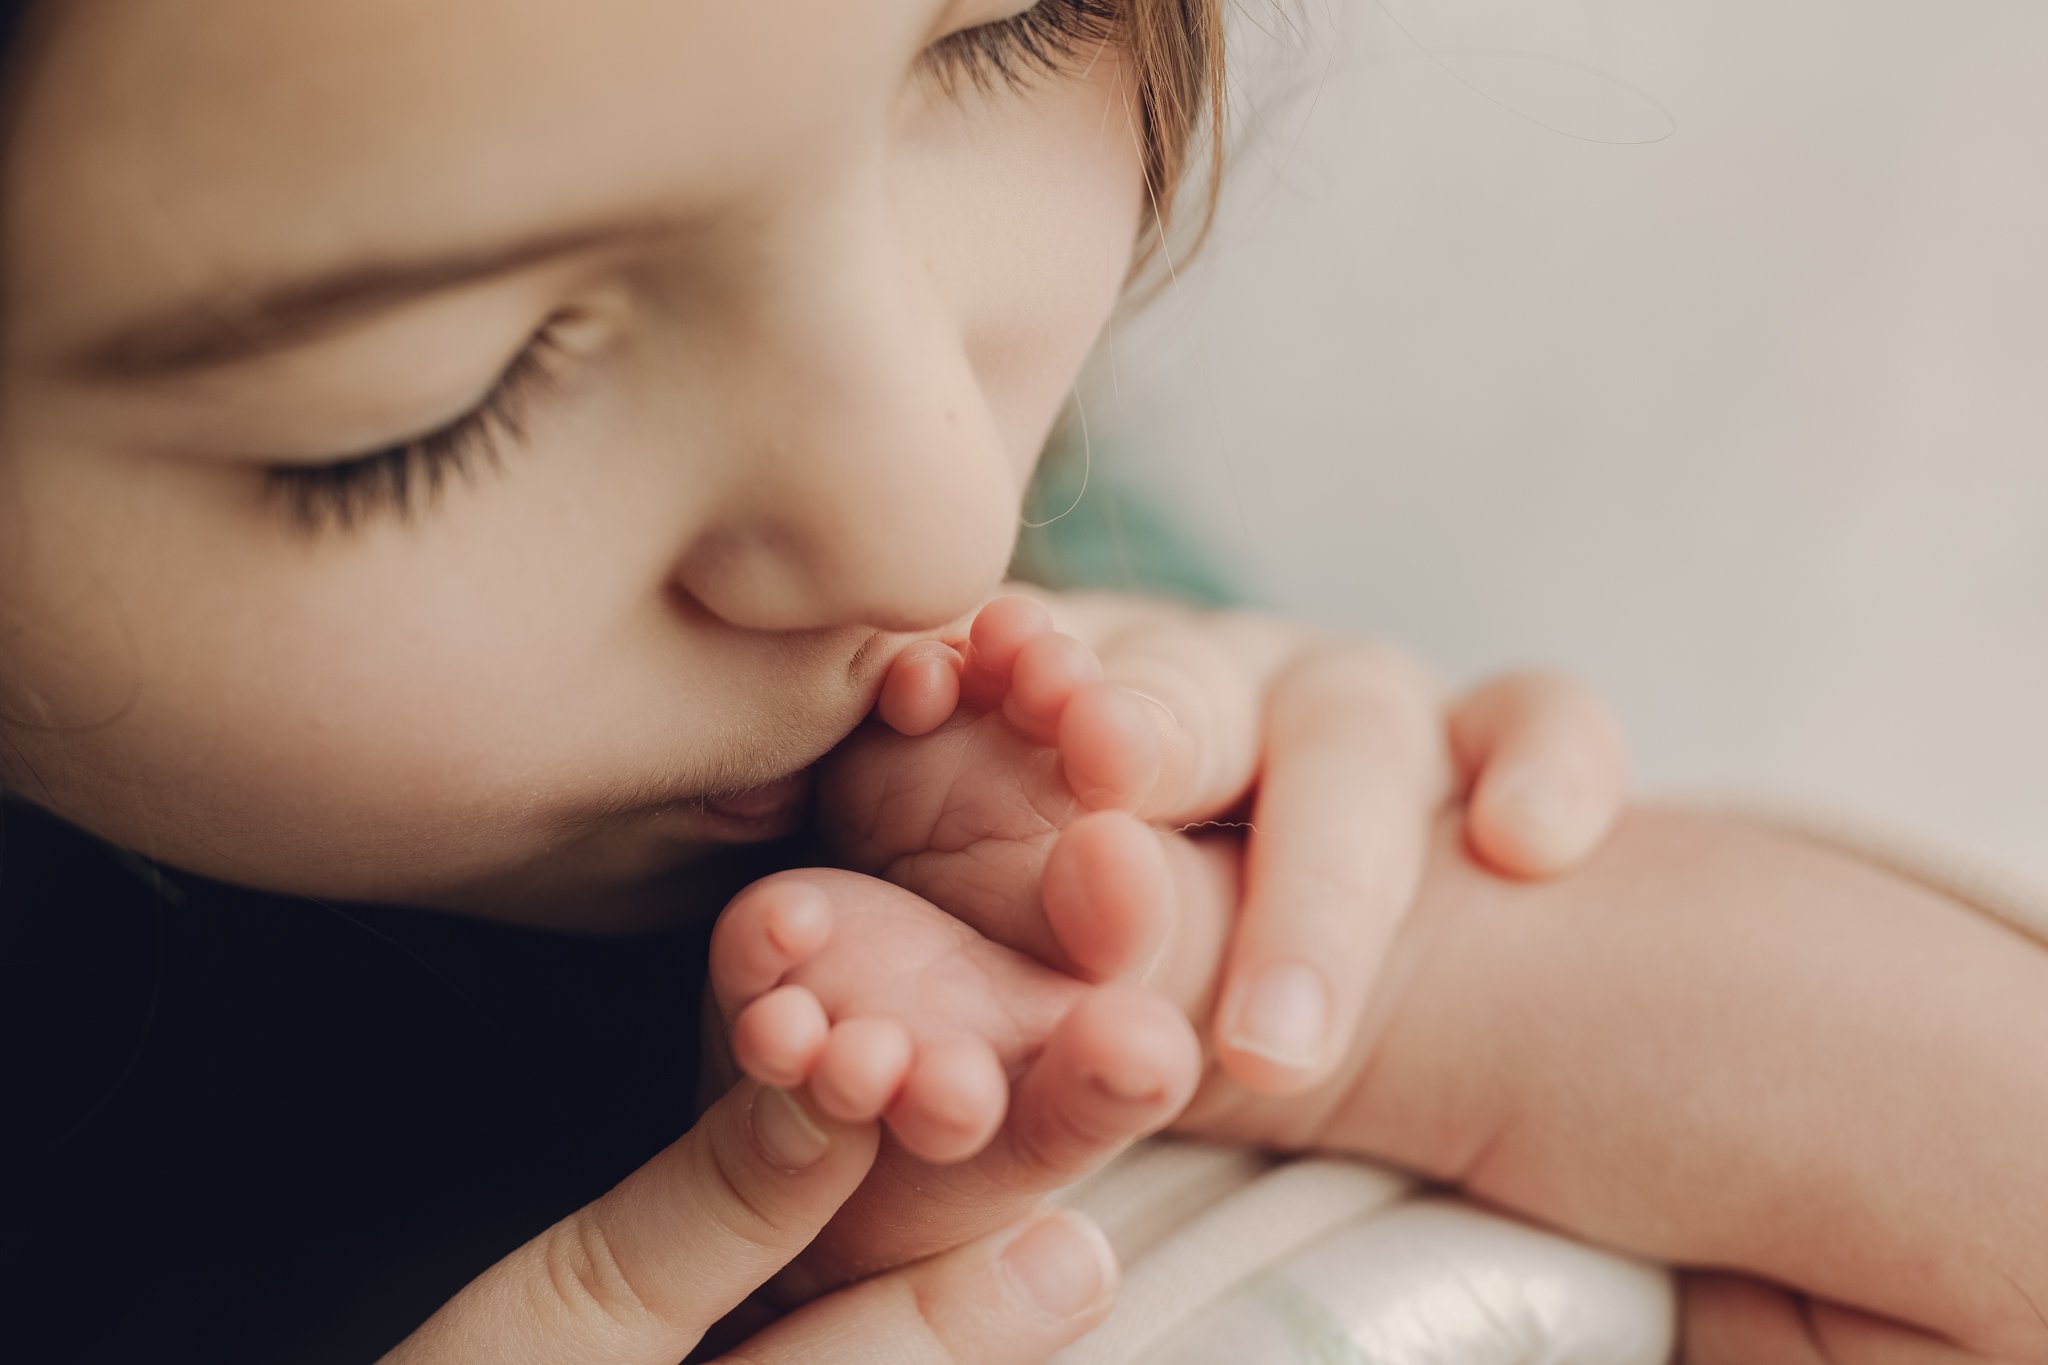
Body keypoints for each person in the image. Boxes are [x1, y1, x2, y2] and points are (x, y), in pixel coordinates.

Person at [3, 4, 2045, 1365]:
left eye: (1011, 24)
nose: (927, 504)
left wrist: (1353, 964)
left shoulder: (1057, 682)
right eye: (431, 409)